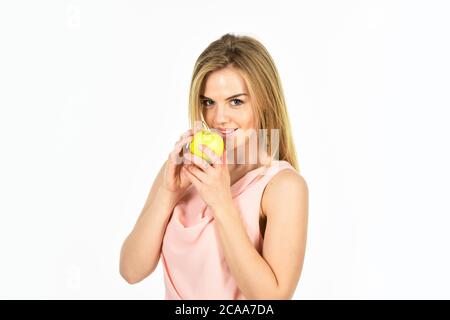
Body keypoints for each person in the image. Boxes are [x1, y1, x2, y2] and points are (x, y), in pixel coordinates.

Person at [119, 33, 309, 300]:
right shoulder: (181, 170)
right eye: (208, 102)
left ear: (265, 101)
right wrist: (168, 194)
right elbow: (130, 270)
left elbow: (271, 299)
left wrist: (221, 202)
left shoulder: (283, 187)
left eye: (236, 101)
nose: (219, 118)